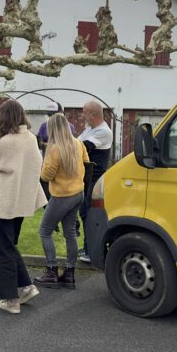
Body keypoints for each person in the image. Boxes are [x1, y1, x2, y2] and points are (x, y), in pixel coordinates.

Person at [0, 100, 47, 314]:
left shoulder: (5, 142)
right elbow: (38, 165)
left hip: (5, 202)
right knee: (8, 245)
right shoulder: (30, 138)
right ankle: (26, 286)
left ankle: (11, 299)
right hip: (23, 200)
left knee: (1, 249)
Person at [35, 113, 90, 289]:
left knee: (44, 230)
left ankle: (51, 270)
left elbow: (46, 176)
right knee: (70, 233)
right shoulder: (78, 143)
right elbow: (87, 163)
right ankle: (69, 274)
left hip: (61, 196)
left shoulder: (54, 149)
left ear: (52, 129)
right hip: (78, 193)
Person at [76, 100, 113, 264]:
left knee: (90, 213)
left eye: (84, 112)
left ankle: (92, 251)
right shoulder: (90, 129)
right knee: (85, 211)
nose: (82, 115)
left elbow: (82, 147)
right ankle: (88, 247)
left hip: (95, 178)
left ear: (92, 114)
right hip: (86, 177)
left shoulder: (104, 131)